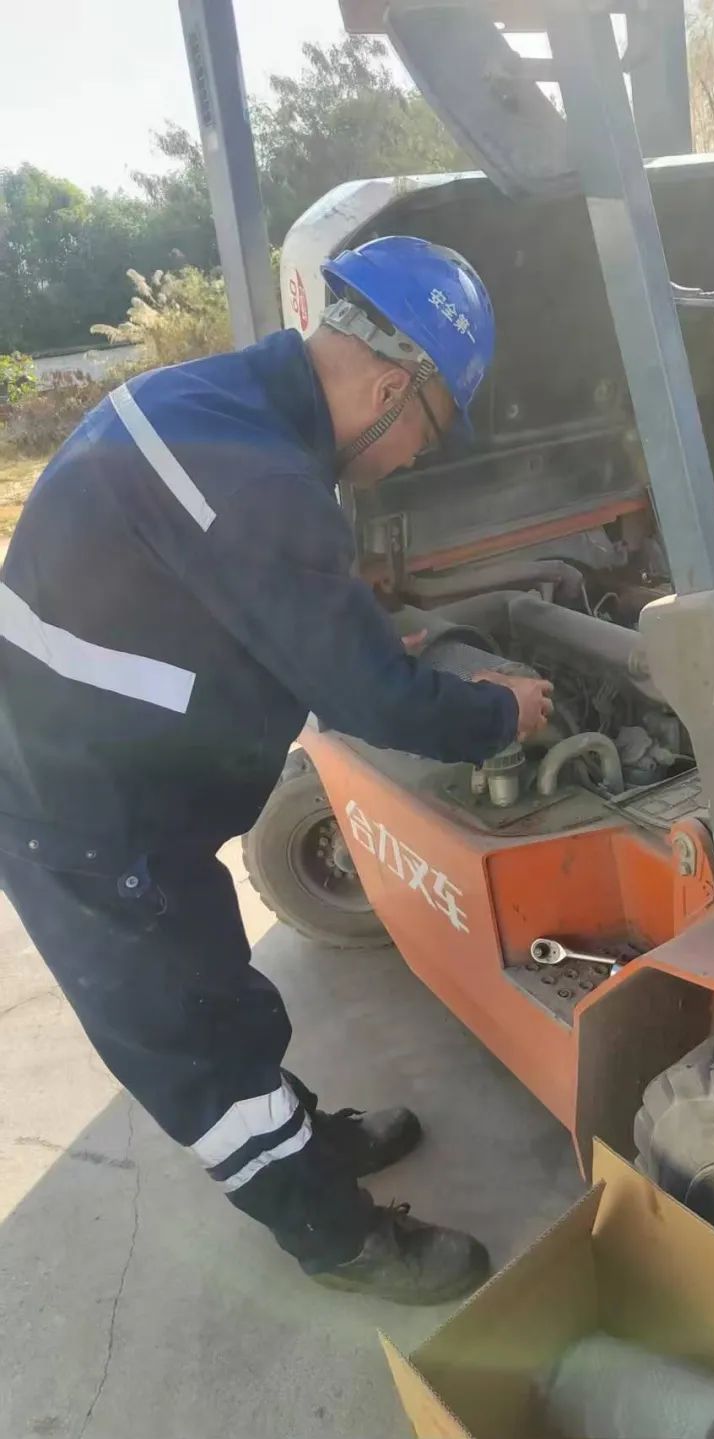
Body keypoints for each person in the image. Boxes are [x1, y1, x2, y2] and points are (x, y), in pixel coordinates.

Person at [0, 235, 553, 1305]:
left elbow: (231, 600)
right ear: (390, 388)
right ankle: (334, 1235)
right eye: (430, 431)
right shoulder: (260, 481)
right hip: (71, 815)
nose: (413, 458)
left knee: (218, 985)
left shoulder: (213, 406)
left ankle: (302, 1133)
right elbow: (375, 705)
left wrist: (347, 641)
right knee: (195, 1051)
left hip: (103, 777)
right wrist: (498, 712)